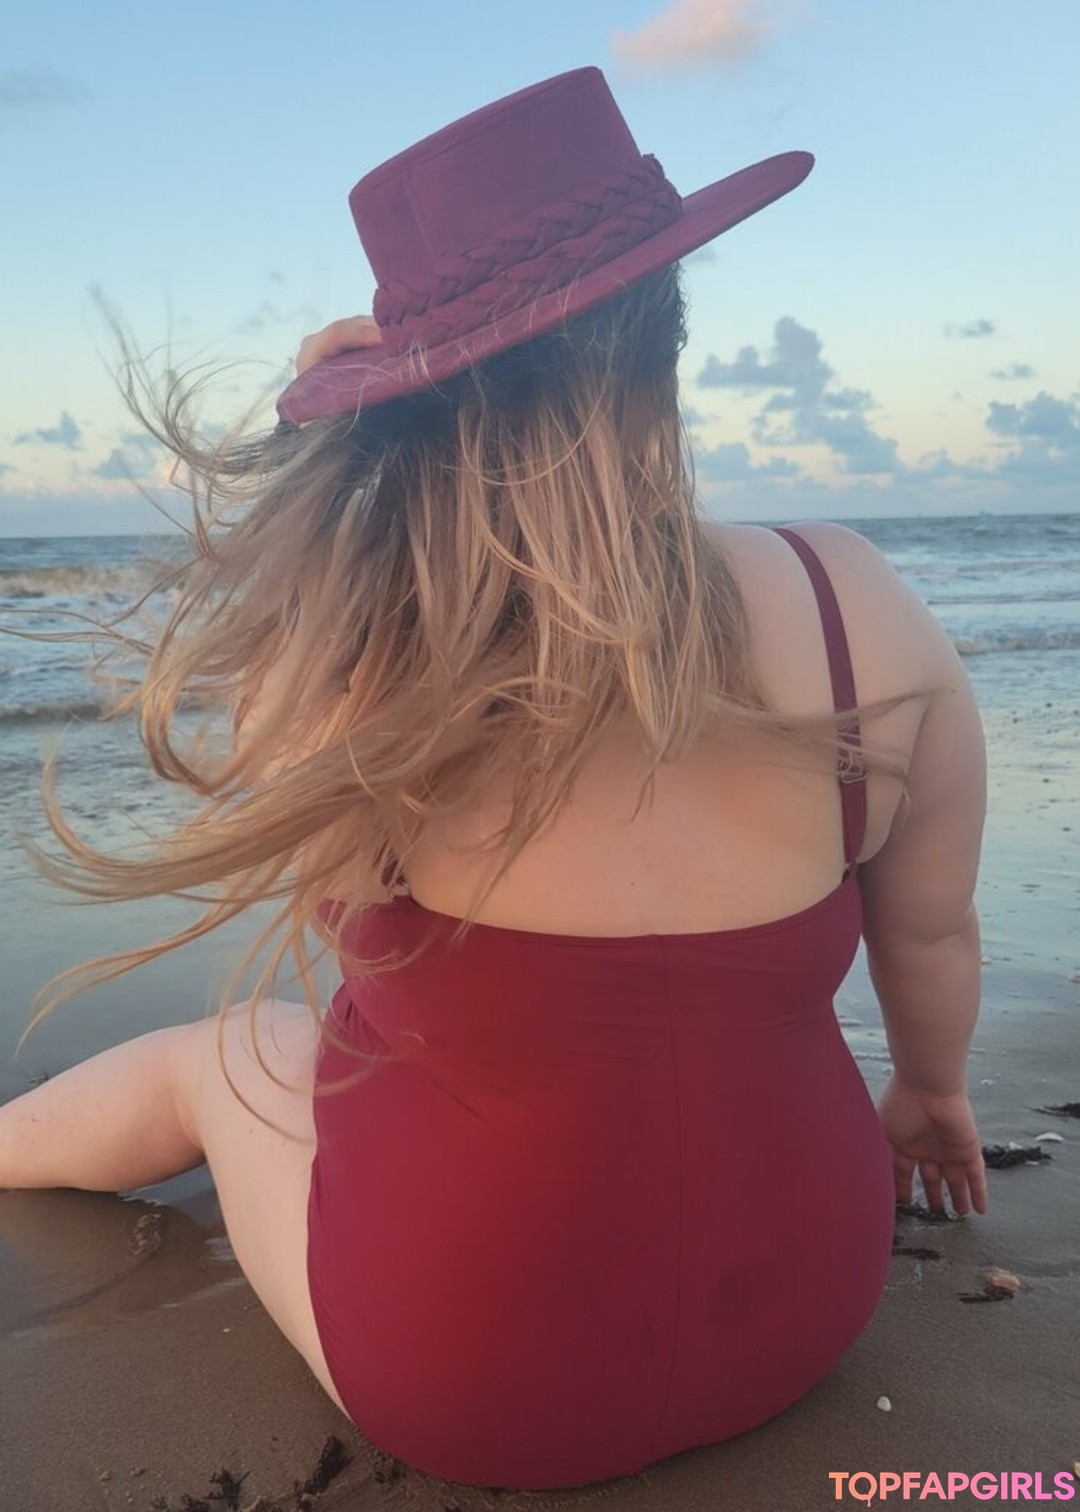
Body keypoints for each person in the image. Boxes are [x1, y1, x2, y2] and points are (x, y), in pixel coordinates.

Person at [0, 68, 987, 1490]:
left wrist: (325, 459)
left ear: (407, 408)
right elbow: (933, 934)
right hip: (803, 1312)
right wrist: (933, 1094)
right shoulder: (853, 603)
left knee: (229, 1054)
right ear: (669, 335)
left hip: (468, 1381)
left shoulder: (364, 672)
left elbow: (269, 771)